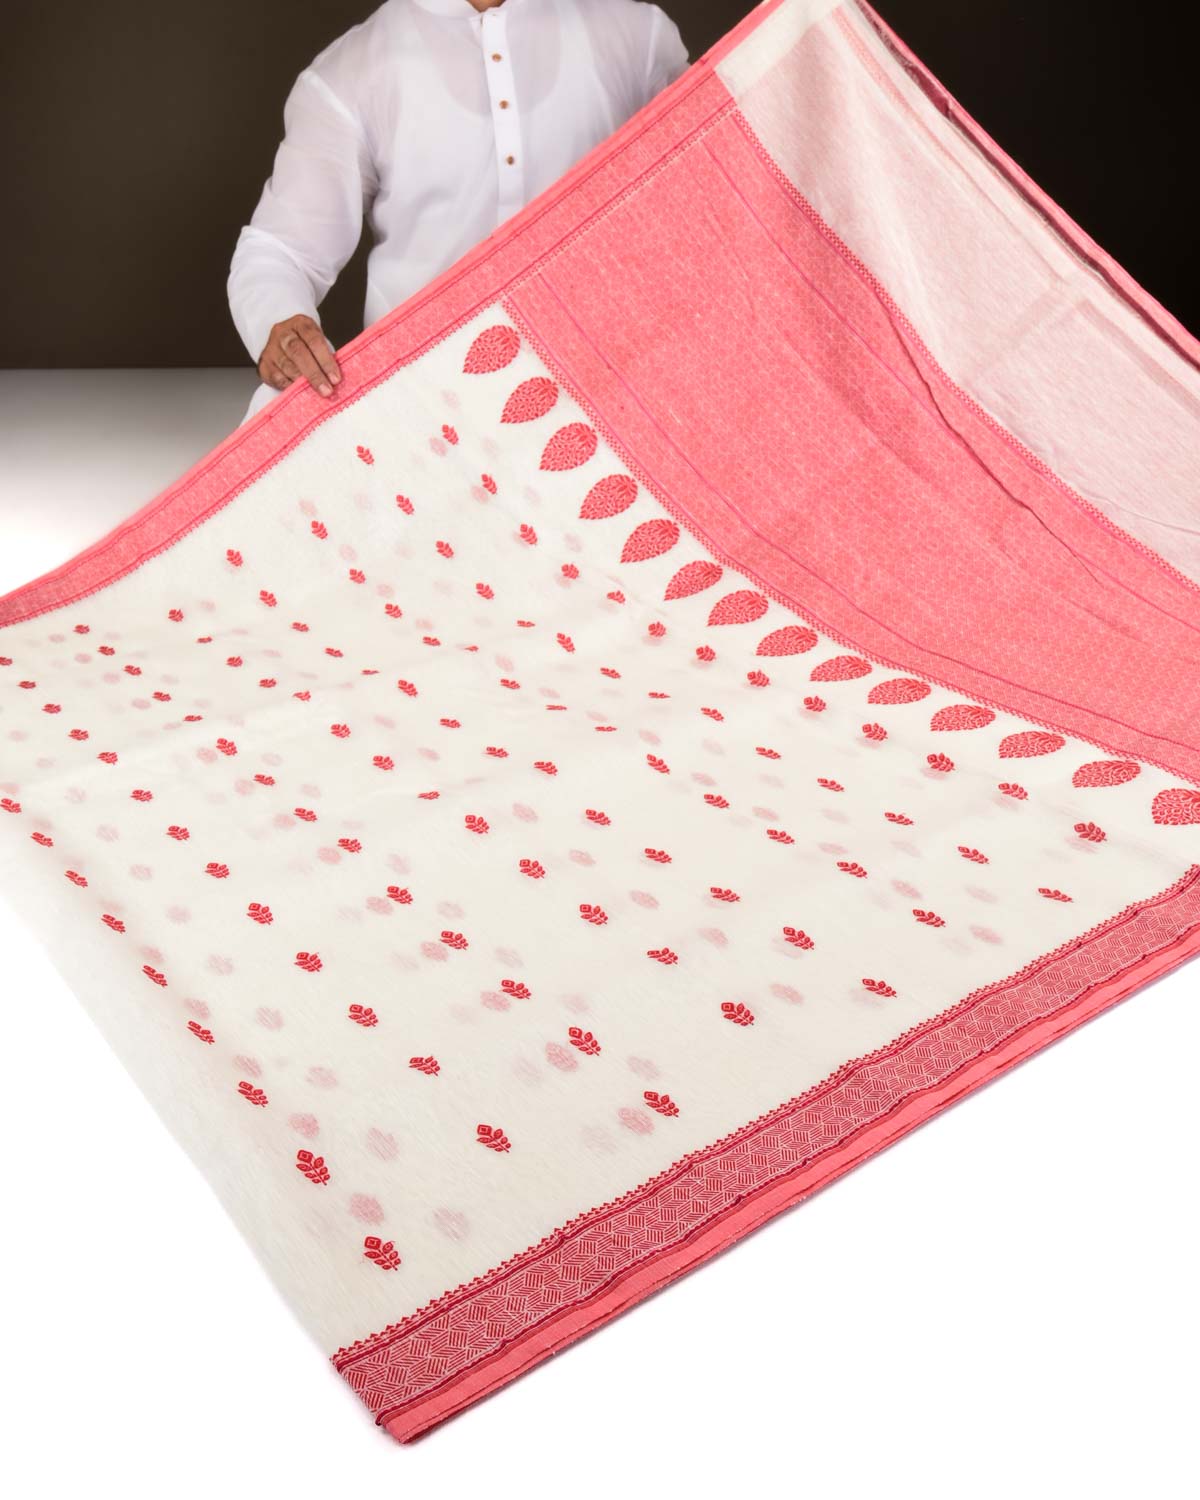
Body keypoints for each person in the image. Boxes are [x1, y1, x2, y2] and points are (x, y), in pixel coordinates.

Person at [227, 0, 689, 424]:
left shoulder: (638, 36)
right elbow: (280, 252)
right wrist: (282, 323)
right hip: (423, 407)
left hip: (609, 395)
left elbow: (708, 194)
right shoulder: (351, 73)